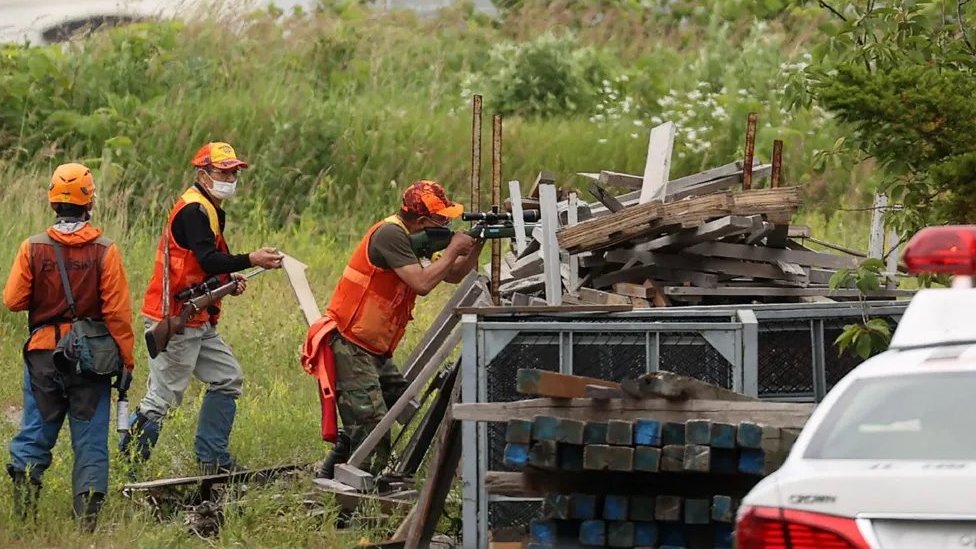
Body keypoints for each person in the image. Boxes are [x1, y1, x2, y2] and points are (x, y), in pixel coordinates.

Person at [120, 142, 283, 475]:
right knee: (161, 400)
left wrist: (227, 278)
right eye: (223, 172)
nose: (231, 178)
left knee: (227, 378)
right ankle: (127, 469)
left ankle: (212, 460)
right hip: (176, 318)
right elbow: (208, 259)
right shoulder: (194, 210)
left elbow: (201, 263)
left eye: (234, 172)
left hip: (195, 316)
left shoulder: (207, 207)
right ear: (203, 174)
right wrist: (251, 259)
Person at [306, 180, 481, 479]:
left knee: (386, 412)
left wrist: (477, 243)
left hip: (372, 348)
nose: (447, 224)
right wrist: (453, 249)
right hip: (350, 343)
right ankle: (360, 497)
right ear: (422, 221)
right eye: (441, 219)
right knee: (373, 430)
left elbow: (452, 275)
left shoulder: (414, 239)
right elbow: (422, 283)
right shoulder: (391, 234)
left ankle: (327, 479)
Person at [4, 163, 136, 530]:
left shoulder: (32, 248)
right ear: (89, 202)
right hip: (91, 359)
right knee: (90, 438)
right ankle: (86, 525)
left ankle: (24, 519)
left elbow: (13, 300)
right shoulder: (106, 251)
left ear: (53, 202)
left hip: (43, 355)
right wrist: (126, 361)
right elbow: (118, 314)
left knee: (36, 430)